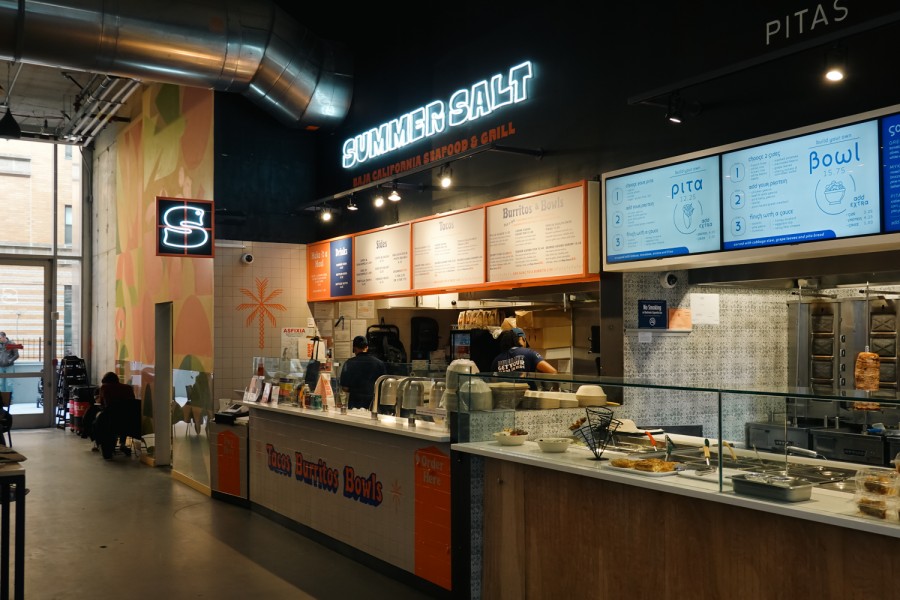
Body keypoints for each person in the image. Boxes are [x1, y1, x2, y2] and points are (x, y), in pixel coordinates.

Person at [97, 371, 137, 458]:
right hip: (129, 421)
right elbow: (132, 403)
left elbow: (102, 404)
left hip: (111, 420)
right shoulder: (128, 388)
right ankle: (122, 444)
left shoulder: (105, 388)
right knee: (122, 416)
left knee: (100, 418)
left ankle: (101, 444)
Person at [340, 336, 386, 410]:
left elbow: (345, 388)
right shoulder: (379, 363)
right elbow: (383, 386)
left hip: (355, 403)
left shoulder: (349, 363)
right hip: (373, 403)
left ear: (354, 349)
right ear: (367, 347)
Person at [490, 328, 558, 376]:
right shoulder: (529, 353)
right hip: (527, 394)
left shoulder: (496, 360)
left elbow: (494, 381)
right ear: (523, 338)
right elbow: (553, 372)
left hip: (505, 395)